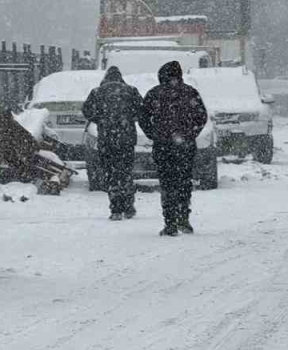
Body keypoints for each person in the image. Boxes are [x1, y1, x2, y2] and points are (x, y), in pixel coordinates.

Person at [139, 61, 208, 236]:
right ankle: (183, 218)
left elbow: (143, 117)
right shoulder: (190, 93)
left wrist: (154, 134)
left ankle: (170, 222)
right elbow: (202, 117)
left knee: (167, 184)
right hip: (185, 146)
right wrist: (190, 134)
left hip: (163, 146)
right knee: (184, 181)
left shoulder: (155, 94)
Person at [82, 67, 145, 220]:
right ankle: (129, 206)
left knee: (111, 173)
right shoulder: (131, 91)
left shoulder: (97, 92)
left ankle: (116, 208)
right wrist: (130, 118)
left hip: (106, 138)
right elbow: (142, 110)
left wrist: (100, 119)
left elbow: (86, 110)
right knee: (125, 171)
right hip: (126, 138)